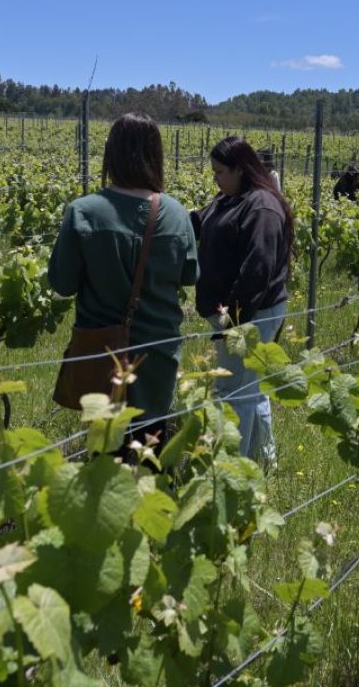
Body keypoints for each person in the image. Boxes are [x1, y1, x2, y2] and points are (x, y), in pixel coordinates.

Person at [47, 114, 198, 441]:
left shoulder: (83, 211)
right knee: (153, 444)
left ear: (111, 154)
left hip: (100, 351)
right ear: (156, 155)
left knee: (105, 445)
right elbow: (189, 274)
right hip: (158, 350)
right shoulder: (176, 213)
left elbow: (62, 283)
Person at [195, 136, 294, 466]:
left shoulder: (261, 206)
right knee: (251, 387)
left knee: (236, 392)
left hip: (252, 312)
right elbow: (200, 220)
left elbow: (257, 270)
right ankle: (263, 462)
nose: (215, 179)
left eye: (220, 172)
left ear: (241, 169)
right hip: (236, 312)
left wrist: (231, 321)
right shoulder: (228, 198)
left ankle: (235, 468)